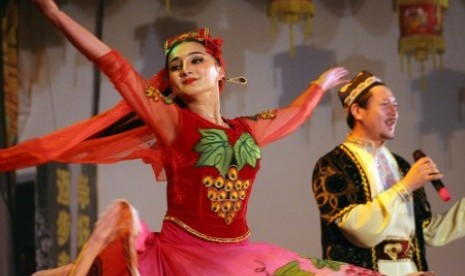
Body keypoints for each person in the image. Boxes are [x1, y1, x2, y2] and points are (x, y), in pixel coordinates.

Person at [0, 1, 385, 275]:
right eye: (175, 66)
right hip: (179, 259)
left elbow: (294, 115)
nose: (184, 69)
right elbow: (116, 66)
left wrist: (319, 86)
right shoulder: (173, 122)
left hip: (237, 257)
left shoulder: (246, 130)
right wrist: (55, 14)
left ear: (220, 69)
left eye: (196, 60)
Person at [311, 70, 465, 276]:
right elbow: (361, 230)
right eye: (385, 105)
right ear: (357, 111)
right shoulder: (333, 164)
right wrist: (406, 186)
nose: (394, 112)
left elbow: (427, 233)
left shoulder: (401, 165)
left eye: (396, 105)